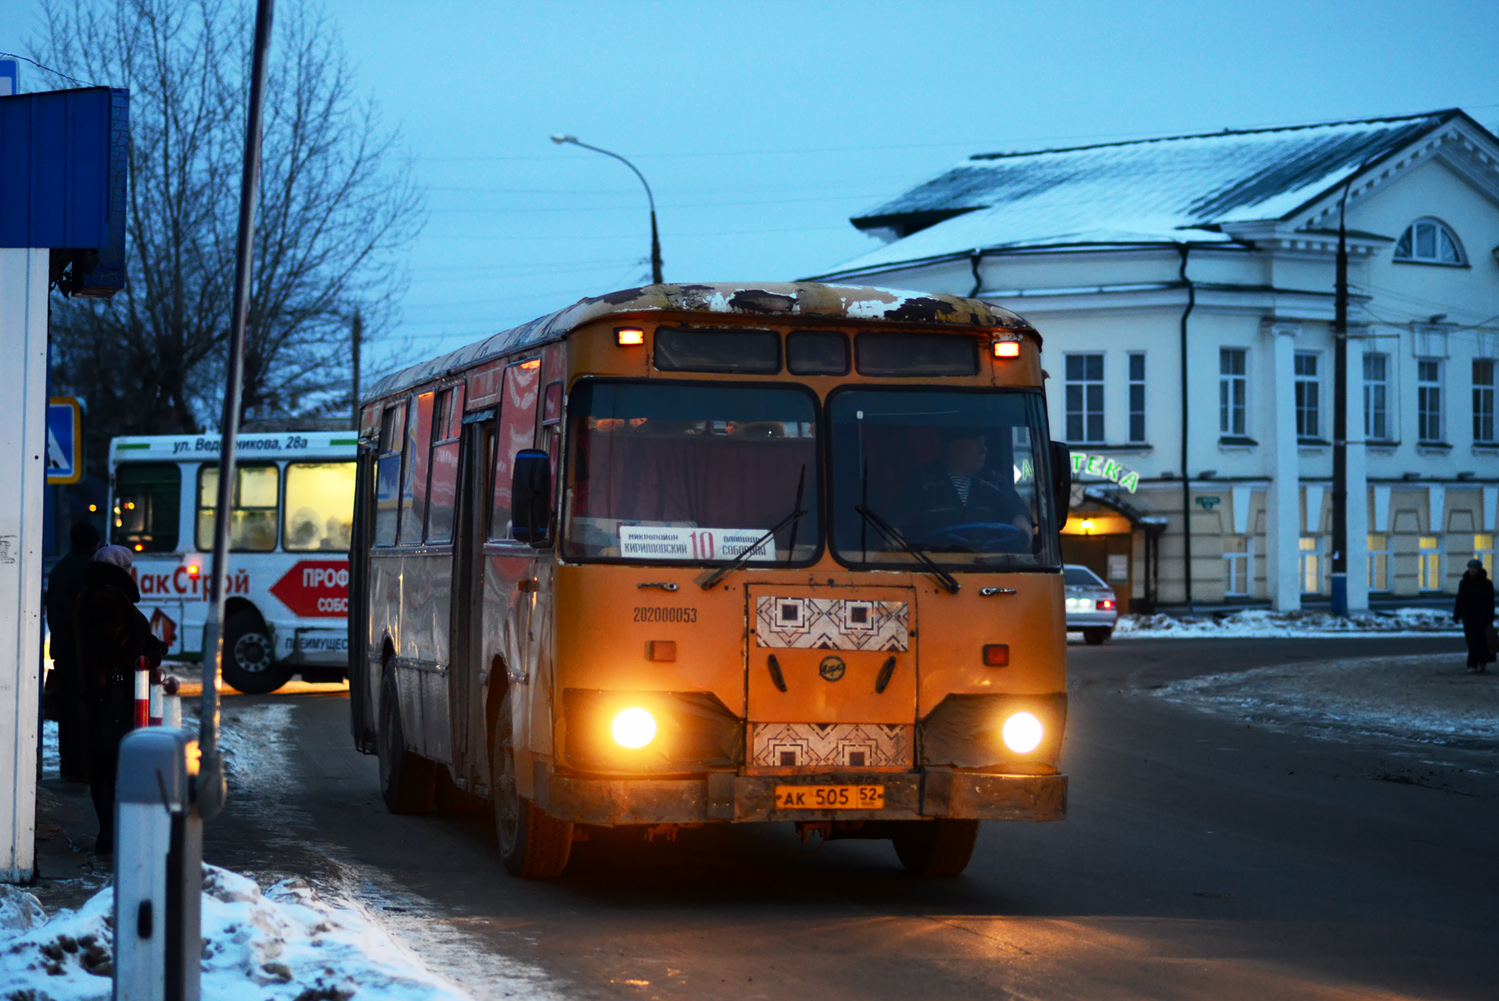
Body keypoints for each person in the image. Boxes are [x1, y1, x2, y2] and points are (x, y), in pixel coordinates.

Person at [73, 544, 166, 855]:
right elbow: (128, 652)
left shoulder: (88, 596)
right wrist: (154, 648)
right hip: (114, 695)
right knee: (116, 762)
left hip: (91, 692)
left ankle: (108, 833)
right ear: (123, 572)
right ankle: (112, 836)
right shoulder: (114, 602)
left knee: (100, 765)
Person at [897, 429, 1031, 546]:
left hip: (990, 566)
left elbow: (1017, 510)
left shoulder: (994, 481)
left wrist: (1021, 519)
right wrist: (894, 534)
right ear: (956, 446)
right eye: (978, 443)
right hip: (933, 567)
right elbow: (897, 524)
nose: (984, 450)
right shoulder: (923, 482)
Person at [44, 522, 100, 781]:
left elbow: (52, 613)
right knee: (91, 710)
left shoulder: (58, 571)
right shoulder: (95, 572)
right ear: (95, 544)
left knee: (67, 711)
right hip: (89, 656)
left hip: (63, 652)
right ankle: (86, 766)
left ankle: (69, 766)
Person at [1454, 559, 1496, 673]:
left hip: (1483, 617)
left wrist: (1489, 617)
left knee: (1482, 641)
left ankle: (1477, 664)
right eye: (1470, 567)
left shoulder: (1487, 584)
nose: (1472, 570)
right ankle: (1475, 664)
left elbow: (1490, 602)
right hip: (1468, 617)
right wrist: (1457, 614)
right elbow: (1460, 599)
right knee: (1471, 641)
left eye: (1475, 568)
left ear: (1479, 569)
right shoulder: (1464, 583)